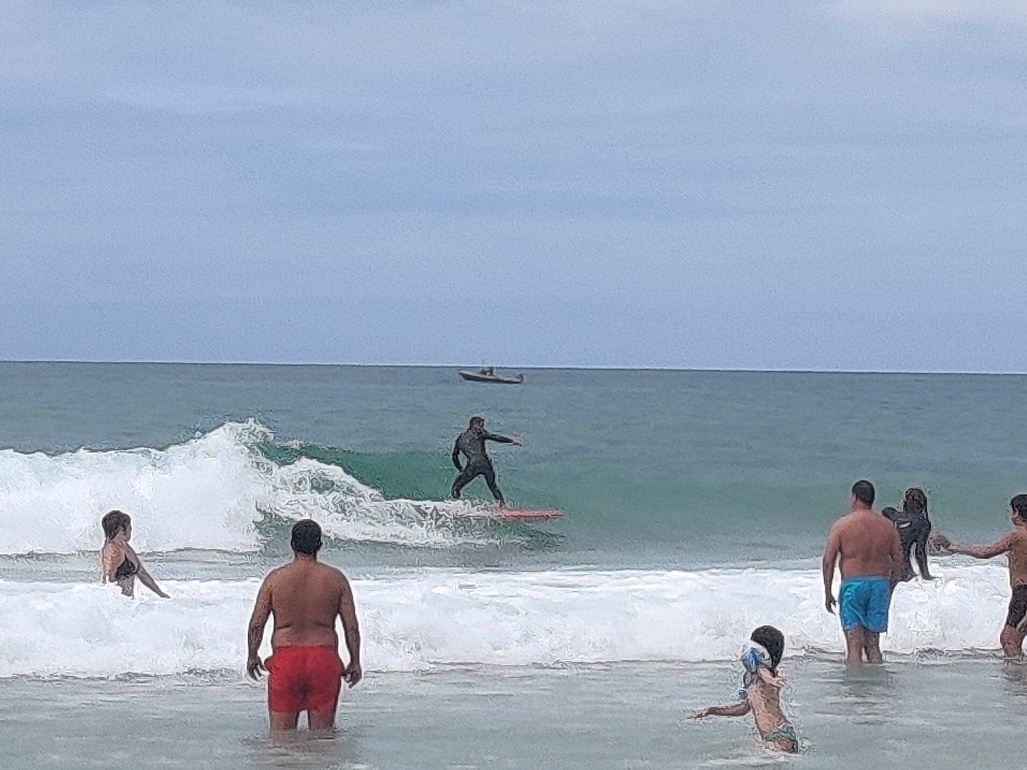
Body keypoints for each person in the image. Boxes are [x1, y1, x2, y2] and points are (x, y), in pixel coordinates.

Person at [246, 519, 362, 732]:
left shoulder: (275, 579)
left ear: (292, 544)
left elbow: (256, 624)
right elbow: (351, 627)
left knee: (281, 740)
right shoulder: (335, 580)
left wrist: (252, 655)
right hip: (323, 660)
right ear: (320, 544)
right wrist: (355, 661)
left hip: (286, 660)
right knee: (323, 739)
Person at [932, 494, 1027, 659]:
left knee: (1009, 640)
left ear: (1017, 513)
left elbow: (985, 553)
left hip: (1023, 593)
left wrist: (954, 547)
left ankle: (1018, 678)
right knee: (1016, 638)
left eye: (1013, 511)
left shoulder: (1017, 536)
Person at [822, 480, 904, 665]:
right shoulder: (887, 526)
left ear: (854, 498)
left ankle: (855, 690)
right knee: (873, 644)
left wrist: (828, 592)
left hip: (854, 585)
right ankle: (877, 688)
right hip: (879, 585)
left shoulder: (842, 525)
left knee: (854, 645)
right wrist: (891, 585)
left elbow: (829, 561)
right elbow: (899, 561)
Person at [690, 625, 798, 754]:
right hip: (773, 735)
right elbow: (744, 708)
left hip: (780, 735)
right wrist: (713, 710)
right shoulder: (751, 680)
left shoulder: (765, 673)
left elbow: (762, 670)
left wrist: (771, 680)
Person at [450, 416, 522, 506]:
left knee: (456, 488)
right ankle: (503, 506)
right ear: (477, 424)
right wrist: (512, 440)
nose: (482, 427)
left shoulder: (461, 438)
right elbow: (495, 437)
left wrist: (460, 468)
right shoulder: (480, 433)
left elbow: (454, 455)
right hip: (485, 464)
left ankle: (458, 506)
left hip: (472, 466)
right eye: (482, 424)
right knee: (493, 486)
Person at [100, 510, 170, 599]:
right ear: (121, 529)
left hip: (127, 602)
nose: (131, 529)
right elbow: (108, 579)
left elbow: (142, 573)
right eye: (129, 526)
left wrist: (161, 595)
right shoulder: (112, 550)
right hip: (118, 603)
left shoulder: (124, 546)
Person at [881, 487, 935, 581]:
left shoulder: (897, 516)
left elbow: (886, 511)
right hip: (904, 570)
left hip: (886, 565)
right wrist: (926, 576)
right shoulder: (923, 524)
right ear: (922, 506)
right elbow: (919, 552)